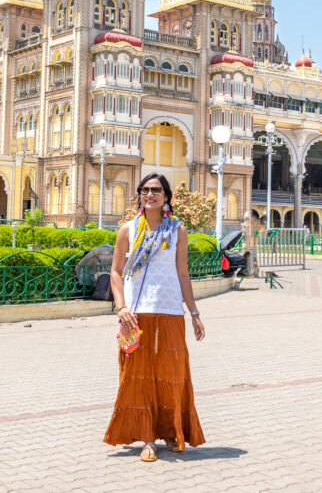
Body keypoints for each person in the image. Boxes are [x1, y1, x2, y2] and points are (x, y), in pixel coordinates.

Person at [103, 172, 206, 461]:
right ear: (139, 194)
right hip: (136, 314)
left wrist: (194, 313)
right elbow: (116, 272)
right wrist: (121, 307)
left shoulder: (177, 231)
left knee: (172, 374)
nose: (151, 194)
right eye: (146, 190)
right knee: (139, 376)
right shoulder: (128, 229)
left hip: (171, 310)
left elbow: (183, 273)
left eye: (157, 190)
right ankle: (147, 437)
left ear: (166, 197)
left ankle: (173, 431)